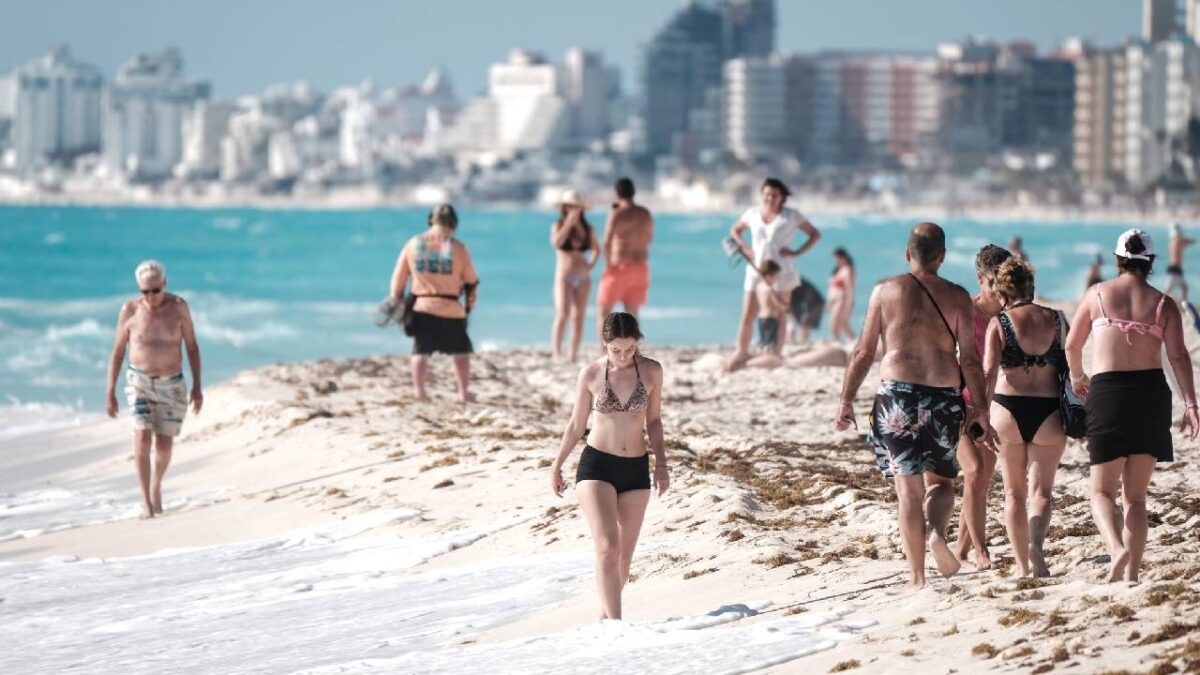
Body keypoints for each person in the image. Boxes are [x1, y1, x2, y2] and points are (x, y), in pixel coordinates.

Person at [835, 222, 994, 590]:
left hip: (895, 397)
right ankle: (937, 532)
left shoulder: (883, 291)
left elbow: (863, 352)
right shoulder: (957, 297)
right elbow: (970, 360)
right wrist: (981, 409)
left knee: (908, 489)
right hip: (942, 397)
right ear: (942, 257)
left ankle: (917, 576)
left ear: (908, 254)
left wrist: (846, 400)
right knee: (940, 483)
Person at [1066, 229, 1198, 582]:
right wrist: (1190, 403)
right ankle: (1133, 575)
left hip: (1108, 394)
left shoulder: (1097, 294)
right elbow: (1180, 356)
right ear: (1151, 262)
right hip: (1150, 395)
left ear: (1118, 259)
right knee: (1136, 498)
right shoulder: (1163, 303)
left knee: (1102, 491)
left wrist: (1078, 378)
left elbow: (1071, 344)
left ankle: (1116, 548)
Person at [551, 312, 667, 620]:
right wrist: (557, 466)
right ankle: (616, 626)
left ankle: (603, 624)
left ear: (637, 343)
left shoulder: (652, 371)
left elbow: (654, 422)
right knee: (606, 547)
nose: (623, 356)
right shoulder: (590, 374)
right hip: (597, 466)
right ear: (604, 344)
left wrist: (662, 465)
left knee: (623, 563)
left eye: (629, 349)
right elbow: (576, 424)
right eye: (616, 350)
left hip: (636, 469)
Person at [982, 258, 1068, 578]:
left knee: (1013, 493)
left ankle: (1020, 565)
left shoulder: (999, 323)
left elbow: (989, 372)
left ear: (1002, 292)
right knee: (1042, 492)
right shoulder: (1058, 320)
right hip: (1048, 411)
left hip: (1007, 409)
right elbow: (1070, 368)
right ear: (1031, 287)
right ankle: (1036, 547)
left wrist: (979, 412)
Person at [105, 260, 203, 519]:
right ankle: (146, 501)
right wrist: (110, 391)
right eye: (145, 291)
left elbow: (192, 347)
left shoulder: (179, 308)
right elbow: (117, 352)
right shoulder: (129, 311)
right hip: (139, 383)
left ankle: (156, 485)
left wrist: (198, 387)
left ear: (164, 284)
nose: (150, 297)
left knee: (164, 446)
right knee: (142, 437)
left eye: (155, 290)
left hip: (172, 384)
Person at [953, 244, 1012, 571]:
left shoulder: (1008, 315)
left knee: (981, 481)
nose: (999, 290)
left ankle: (961, 552)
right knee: (973, 471)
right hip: (961, 405)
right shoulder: (966, 313)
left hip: (992, 407)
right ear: (980, 279)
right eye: (993, 282)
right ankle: (981, 551)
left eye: (1004, 281)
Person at [389, 204, 480, 403]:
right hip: (451, 308)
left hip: (422, 305)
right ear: (454, 223)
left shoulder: (413, 244)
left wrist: (396, 299)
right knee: (461, 352)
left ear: (431, 220)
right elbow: (471, 280)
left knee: (420, 350)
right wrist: (470, 305)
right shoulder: (458, 247)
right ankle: (463, 393)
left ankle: (420, 391)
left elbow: (399, 277)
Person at [728, 178, 821, 368]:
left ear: (781, 197)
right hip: (756, 268)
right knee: (748, 311)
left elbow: (814, 234)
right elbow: (735, 230)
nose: (770, 198)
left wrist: (797, 252)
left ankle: (777, 351)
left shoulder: (791, 216)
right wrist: (745, 248)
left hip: (782, 269)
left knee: (781, 311)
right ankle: (741, 350)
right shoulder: (753, 213)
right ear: (762, 195)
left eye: (774, 195)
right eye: (767, 194)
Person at [597, 178, 653, 344]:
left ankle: (604, 353)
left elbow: (606, 242)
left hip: (620, 265)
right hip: (641, 266)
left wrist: (607, 266)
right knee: (632, 314)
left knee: (604, 312)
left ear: (617, 194)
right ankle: (633, 351)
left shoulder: (617, 213)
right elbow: (649, 238)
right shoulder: (645, 213)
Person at [550, 189, 600, 362]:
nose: (573, 209)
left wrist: (591, 265)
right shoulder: (558, 225)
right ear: (564, 207)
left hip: (583, 278)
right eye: (569, 206)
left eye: (576, 206)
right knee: (562, 314)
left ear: (581, 208)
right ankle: (556, 352)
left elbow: (596, 249)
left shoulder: (588, 229)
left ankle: (573, 354)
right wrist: (569, 224)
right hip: (564, 276)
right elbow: (556, 243)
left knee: (578, 317)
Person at [827, 248, 856, 343]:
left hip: (842, 300)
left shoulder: (847, 270)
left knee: (835, 325)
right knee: (844, 325)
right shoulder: (838, 270)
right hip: (834, 299)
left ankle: (837, 342)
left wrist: (849, 302)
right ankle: (853, 341)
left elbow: (849, 287)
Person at [1165, 222, 1194, 302]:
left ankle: (1184, 304)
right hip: (1175, 269)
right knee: (1168, 290)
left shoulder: (1173, 241)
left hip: (1176, 270)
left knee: (1184, 287)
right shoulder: (1177, 240)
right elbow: (1189, 241)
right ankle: (1157, 303)